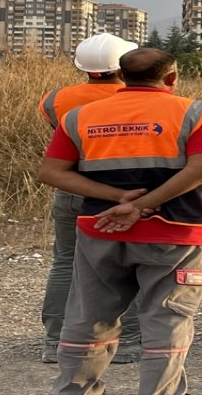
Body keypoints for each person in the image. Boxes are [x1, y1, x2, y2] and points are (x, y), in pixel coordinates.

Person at [38, 47, 202, 395]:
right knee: (166, 321)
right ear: (171, 78)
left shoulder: (78, 116)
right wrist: (144, 205)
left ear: (121, 77)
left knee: (88, 318)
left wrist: (119, 199)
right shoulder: (197, 112)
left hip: (101, 230)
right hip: (175, 233)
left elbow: (51, 172)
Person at [38, 33, 143, 364]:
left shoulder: (55, 99)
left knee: (66, 264)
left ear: (81, 66)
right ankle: (128, 342)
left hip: (72, 190)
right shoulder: (140, 99)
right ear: (125, 65)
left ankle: (55, 341)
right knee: (131, 265)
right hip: (126, 194)